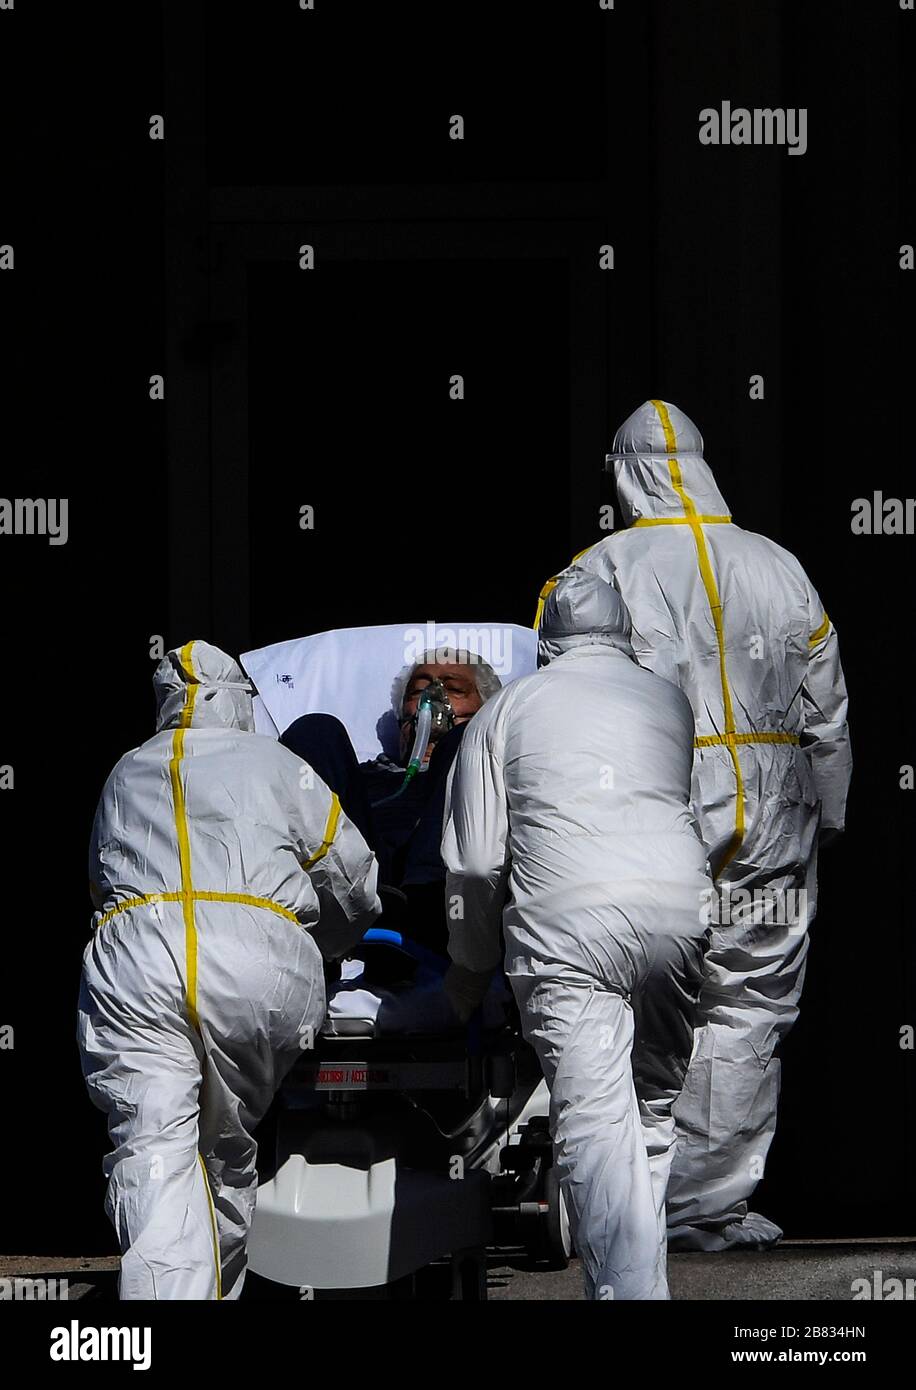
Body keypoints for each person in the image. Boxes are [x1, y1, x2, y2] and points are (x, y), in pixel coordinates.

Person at [536, 399, 852, 1251]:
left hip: (656, 801)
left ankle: (623, 1202)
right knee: (749, 1004)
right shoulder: (780, 566)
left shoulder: (597, 568)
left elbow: (562, 704)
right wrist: (827, 813)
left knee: (633, 997)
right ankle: (706, 1209)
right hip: (773, 808)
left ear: (628, 476)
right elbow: (827, 714)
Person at [78, 640, 381, 1300]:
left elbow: (104, 888)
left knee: (153, 1156)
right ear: (242, 702)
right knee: (223, 1153)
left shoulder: (125, 773)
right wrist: (328, 944)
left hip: (136, 972)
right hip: (255, 973)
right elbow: (357, 882)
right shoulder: (278, 765)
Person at [442, 569, 710, 1300]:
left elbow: (472, 862)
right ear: (621, 628)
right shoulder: (667, 700)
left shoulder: (509, 709)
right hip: (676, 915)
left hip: (567, 929)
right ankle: (639, 1286)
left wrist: (470, 973)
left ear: (546, 639)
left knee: (595, 1129)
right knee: (648, 1116)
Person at [280, 649, 501, 952]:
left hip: (441, 901)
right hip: (356, 888)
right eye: (420, 690)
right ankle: (345, 903)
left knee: (466, 741)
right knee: (315, 730)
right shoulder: (354, 776)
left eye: (454, 689)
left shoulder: (491, 778)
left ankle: (420, 901)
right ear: (403, 715)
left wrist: (465, 743)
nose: (434, 698)